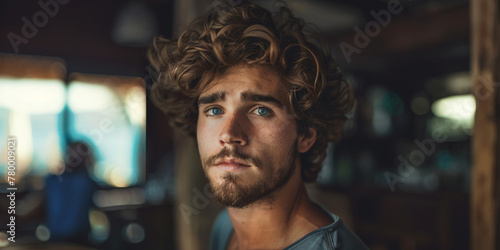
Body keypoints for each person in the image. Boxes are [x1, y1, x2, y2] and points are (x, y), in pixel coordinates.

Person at [148, 1, 369, 249]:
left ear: (305, 135)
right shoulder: (226, 227)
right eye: (214, 110)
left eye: (261, 110)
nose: (229, 134)